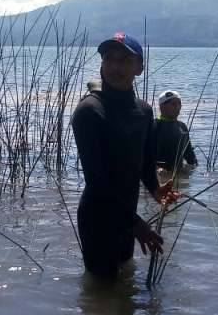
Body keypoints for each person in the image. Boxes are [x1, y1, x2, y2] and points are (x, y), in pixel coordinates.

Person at [71, 32, 176, 278]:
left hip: (128, 215)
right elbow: (97, 182)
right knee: (102, 292)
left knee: (125, 290)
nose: (115, 66)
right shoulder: (89, 111)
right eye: (109, 59)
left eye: (124, 60)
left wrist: (155, 189)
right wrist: (136, 223)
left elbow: (144, 162)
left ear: (139, 67)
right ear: (102, 65)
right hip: (99, 217)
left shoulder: (144, 111)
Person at [152, 89, 198, 172]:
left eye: (179, 103)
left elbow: (189, 155)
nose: (177, 107)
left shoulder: (182, 126)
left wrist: (195, 168)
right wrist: (156, 169)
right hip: (159, 175)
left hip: (179, 173)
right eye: (173, 104)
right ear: (162, 106)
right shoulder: (153, 126)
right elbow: (143, 154)